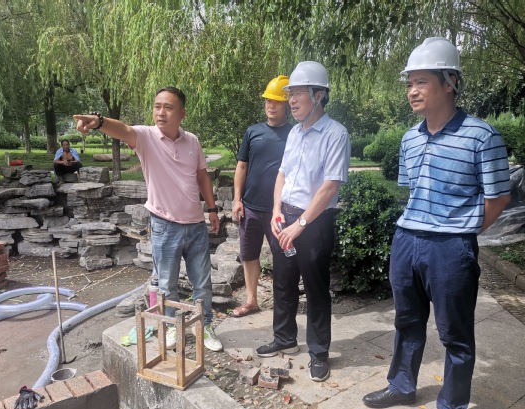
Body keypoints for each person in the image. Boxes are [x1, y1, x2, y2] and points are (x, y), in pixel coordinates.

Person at [362, 37, 511, 409]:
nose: (412, 90)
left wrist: (463, 230)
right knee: (407, 321)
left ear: (449, 82)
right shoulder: (409, 139)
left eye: (421, 81)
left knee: (455, 333)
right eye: (409, 83)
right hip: (407, 240)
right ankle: (401, 385)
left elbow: (499, 197)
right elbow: (414, 191)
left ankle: (452, 408)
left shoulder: (482, 136)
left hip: (451, 248)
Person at [73, 87, 223, 352]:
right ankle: (171, 327)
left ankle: (205, 325)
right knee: (167, 285)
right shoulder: (146, 137)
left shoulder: (192, 141)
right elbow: (123, 130)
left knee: (202, 283)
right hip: (165, 225)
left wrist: (211, 209)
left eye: (168, 107)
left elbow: (201, 176)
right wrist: (99, 122)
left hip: (195, 225)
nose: (160, 112)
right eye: (157, 106)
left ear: (182, 113)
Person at [254, 61, 351, 383]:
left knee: (315, 288)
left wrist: (301, 225)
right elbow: (282, 174)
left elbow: (330, 186)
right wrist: (276, 210)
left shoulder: (336, 134)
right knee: (282, 282)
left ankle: (319, 352)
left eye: (297, 93)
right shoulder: (295, 133)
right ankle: (284, 338)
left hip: (315, 222)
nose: (291, 100)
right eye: (290, 94)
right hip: (286, 216)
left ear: (319, 95)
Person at [232, 75, 293, 318]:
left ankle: (283, 304)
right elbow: (241, 167)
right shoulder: (253, 132)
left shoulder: (295, 133)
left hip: (281, 210)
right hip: (251, 207)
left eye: (277, 101)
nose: (271, 105)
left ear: (287, 105)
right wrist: (237, 199)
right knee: (249, 255)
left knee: (283, 257)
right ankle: (251, 301)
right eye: (268, 100)